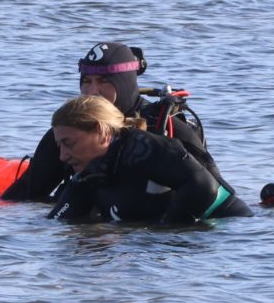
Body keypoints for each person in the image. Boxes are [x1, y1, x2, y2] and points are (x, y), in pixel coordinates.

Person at [0, 41, 219, 203]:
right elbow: (24, 196)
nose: (92, 92)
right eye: (86, 82)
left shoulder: (166, 126)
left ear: (124, 84)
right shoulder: (71, 132)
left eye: (103, 82)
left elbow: (216, 193)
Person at [48, 95, 251, 224]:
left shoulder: (142, 148)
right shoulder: (89, 176)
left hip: (229, 230)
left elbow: (202, 186)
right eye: (60, 146)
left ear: (100, 131)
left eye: (69, 143)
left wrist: (163, 233)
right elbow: (58, 222)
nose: (63, 156)